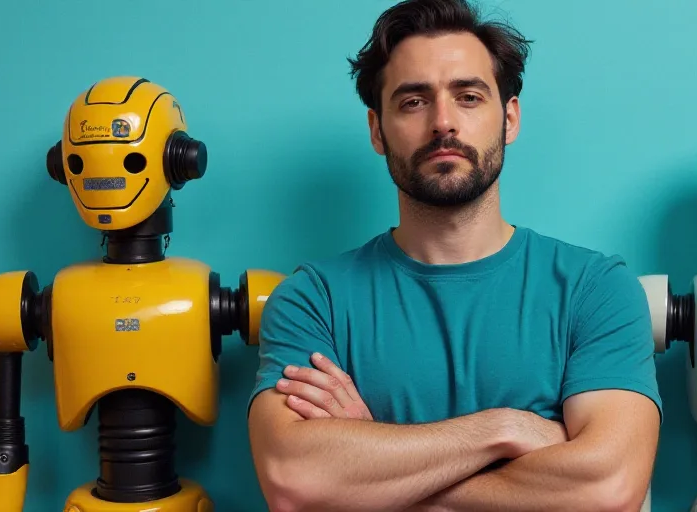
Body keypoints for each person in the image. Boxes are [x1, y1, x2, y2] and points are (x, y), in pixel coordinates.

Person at [246, 0, 662, 510]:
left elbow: (608, 489)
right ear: (377, 130)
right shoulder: (313, 300)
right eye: (413, 102)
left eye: (468, 96)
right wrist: (505, 430)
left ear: (508, 118)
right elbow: (296, 481)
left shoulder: (595, 289)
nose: (444, 123)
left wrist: (374, 465)